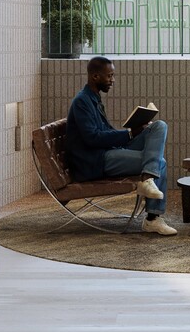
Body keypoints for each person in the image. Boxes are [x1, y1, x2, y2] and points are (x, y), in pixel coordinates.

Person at [65, 56, 177, 236]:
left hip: (108, 152)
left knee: (159, 126)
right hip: (96, 160)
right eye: (109, 76)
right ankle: (152, 219)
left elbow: (102, 132)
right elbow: (92, 138)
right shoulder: (82, 102)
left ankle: (148, 179)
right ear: (95, 77)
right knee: (159, 163)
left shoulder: (93, 98)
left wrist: (136, 129)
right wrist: (130, 133)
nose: (112, 80)